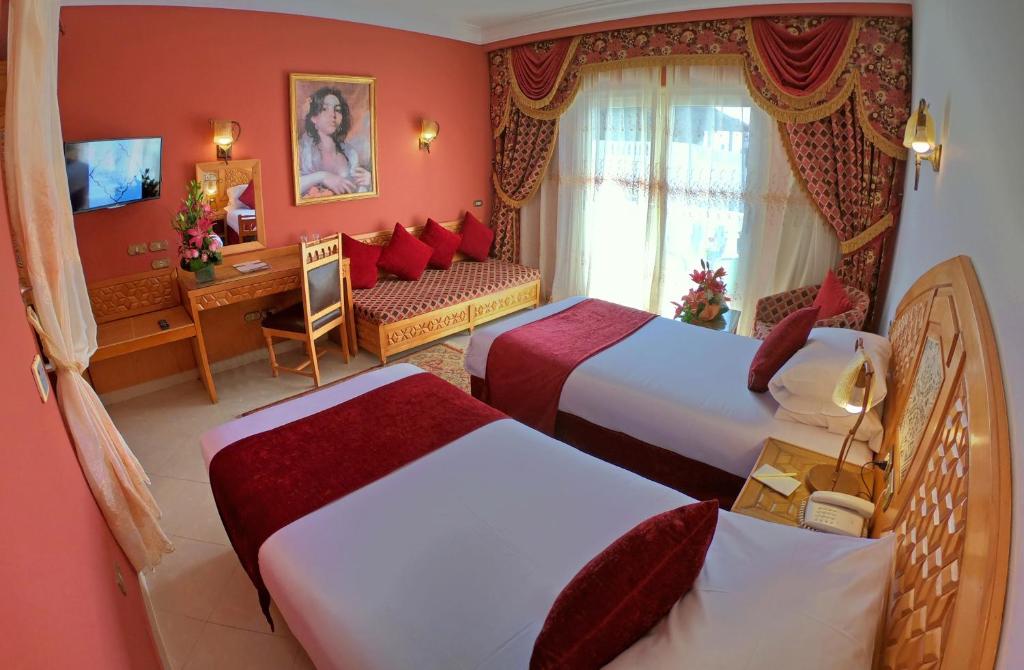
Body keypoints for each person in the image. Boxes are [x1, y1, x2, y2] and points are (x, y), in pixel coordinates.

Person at [297, 86, 372, 197]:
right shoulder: (302, 149)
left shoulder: (350, 154)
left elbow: (356, 192)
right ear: (313, 118)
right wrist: (322, 176)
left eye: (337, 110)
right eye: (324, 109)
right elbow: (292, 186)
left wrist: (368, 182)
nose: (333, 115)